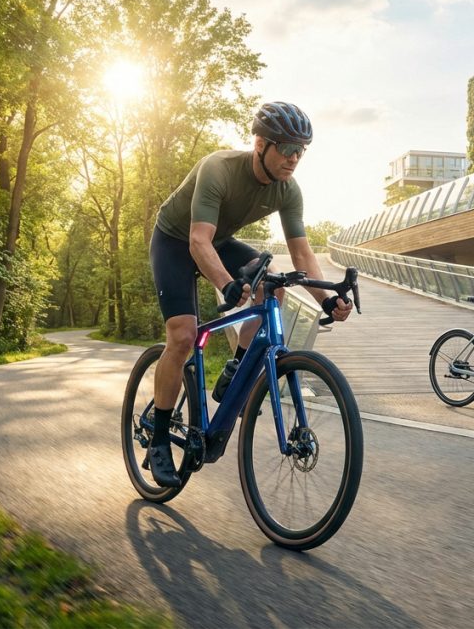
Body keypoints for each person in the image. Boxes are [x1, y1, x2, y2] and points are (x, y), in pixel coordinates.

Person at [146, 101, 352, 487]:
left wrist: (327, 298)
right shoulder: (219, 168)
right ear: (260, 143)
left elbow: (302, 253)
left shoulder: (288, 190)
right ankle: (157, 440)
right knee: (183, 336)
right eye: (287, 148)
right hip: (175, 241)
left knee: (273, 285)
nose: (294, 158)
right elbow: (197, 240)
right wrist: (227, 283)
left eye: (301, 151)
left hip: (218, 240)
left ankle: (236, 367)